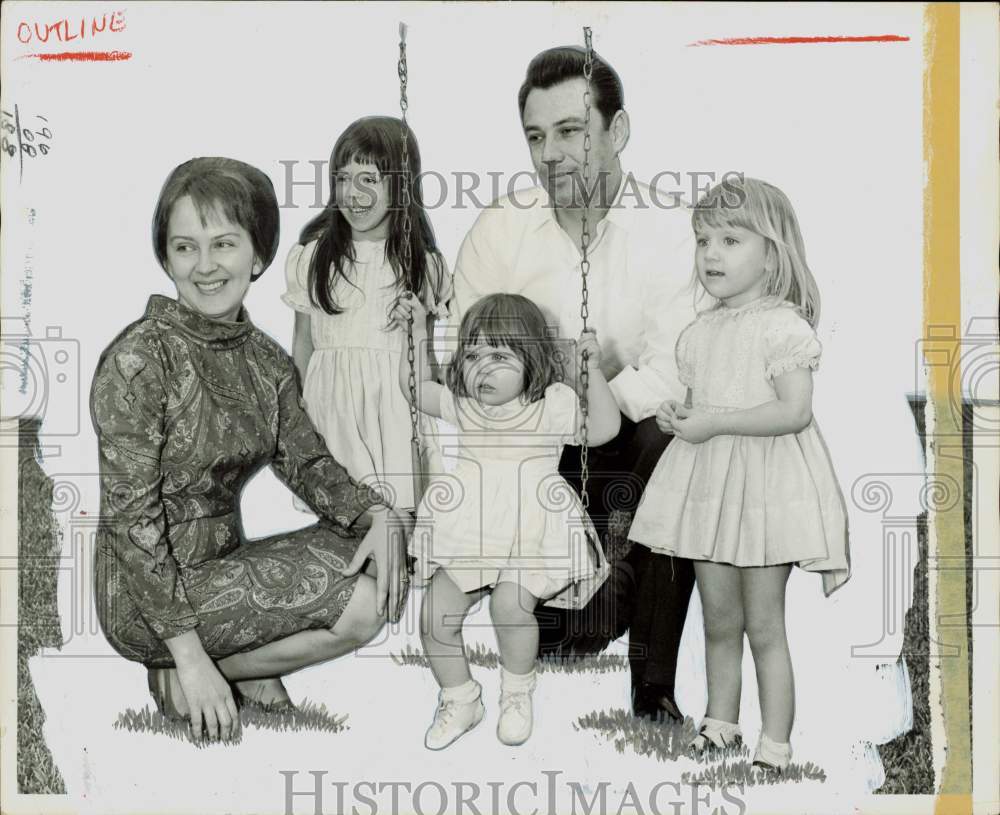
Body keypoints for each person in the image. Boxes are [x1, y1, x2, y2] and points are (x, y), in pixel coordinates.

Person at [90, 157, 411, 744]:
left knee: (376, 559)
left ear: (258, 256)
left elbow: (312, 468)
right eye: (185, 247)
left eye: (224, 244)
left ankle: (224, 670)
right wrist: (188, 652)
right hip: (144, 594)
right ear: (165, 257)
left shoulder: (266, 362)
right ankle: (185, 670)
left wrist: (379, 516)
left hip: (223, 569)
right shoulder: (139, 359)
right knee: (363, 603)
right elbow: (131, 521)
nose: (205, 266)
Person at [451, 45, 696, 721]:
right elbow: (461, 354)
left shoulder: (670, 233)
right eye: (536, 136)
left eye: (570, 131)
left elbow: (675, 370)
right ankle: (555, 610)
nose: (550, 153)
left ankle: (653, 691)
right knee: (563, 638)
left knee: (674, 446)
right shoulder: (501, 230)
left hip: (627, 437)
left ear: (615, 132)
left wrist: (600, 401)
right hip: (530, 447)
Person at [629, 177, 851, 771]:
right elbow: (704, 405)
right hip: (711, 490)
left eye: (730, 239)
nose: (711, 254)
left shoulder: (782, 327)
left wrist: (716, 422)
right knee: (718, 618)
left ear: (772, 254)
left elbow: (793, 410)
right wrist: (681, 417)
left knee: (763, 623)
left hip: (764, 488)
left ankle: (774, 743)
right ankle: (720, 723)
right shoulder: (701, 333)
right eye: (703, 240)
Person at [392, 292, 619, 749]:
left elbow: (604, 429)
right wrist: (416, 334)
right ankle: (460, 698)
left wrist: (591, 372)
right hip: (471, 527)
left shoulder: (551, 404)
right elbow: (415, 388)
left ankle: (517, 693)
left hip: (531, 529)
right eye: (472, 354)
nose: (482, 367)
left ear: (532, 359)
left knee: (510, 608)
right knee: (436, 617)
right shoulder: (465, 404)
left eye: (499, 354)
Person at [283, 116, 451, 511]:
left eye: (368, 180)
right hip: (333, 418)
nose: (352, 193)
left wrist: (421, 326)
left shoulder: (423, 267)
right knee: (342, 529)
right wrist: (302, 422)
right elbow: (303, 346)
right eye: (343, 178)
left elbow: (427, 367)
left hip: (394, 417)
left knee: (401, 529)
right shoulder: (312, 259)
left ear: (401, 184)